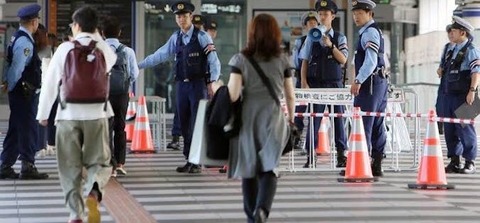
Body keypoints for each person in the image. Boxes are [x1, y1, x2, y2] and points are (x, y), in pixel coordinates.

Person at [36, 6, 117, 223]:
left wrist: (43, 113)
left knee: (68, 167)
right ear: (95, 27)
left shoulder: (64, 48)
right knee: (99, 163)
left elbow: (50, 83)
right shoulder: (103, 48)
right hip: (97, 115)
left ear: (77, 25)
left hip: (67, 115)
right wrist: (96, 35)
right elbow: (112, 62)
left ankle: (75, 214)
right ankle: (93, 189)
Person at [212, 13, 295, 223]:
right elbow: (290, 95)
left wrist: (217, 88)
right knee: (270, 167)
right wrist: (291, 121)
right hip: (275, 119)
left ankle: (252, 217)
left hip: (248, 119)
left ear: (252, 33)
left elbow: (233, 93)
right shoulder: (283, 60)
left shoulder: (240, 59)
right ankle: (263, 209)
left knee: (249, 168)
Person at [138, 1, 221, 174]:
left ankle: (196, 161)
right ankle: (189, 159)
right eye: (178, 16)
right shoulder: (176, 38)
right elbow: (160, 55)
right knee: (184, 124)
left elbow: (214, 61)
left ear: (191, 16)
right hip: (182, 86)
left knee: (196, 124)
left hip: (198, 85)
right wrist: (139, 65)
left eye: (184, 16)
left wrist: (212, 82)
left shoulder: (202, 36)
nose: (181, 19)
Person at [0, 4, 48, 180]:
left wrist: (7, 82)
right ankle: (28, 165)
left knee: (15, 128)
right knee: (28, 128)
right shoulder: (25, 41)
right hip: (24, 93)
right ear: (34, 22)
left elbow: (8, 63)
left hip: (20, 92)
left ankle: (5, 165)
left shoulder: (16, 37)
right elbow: (17, 68)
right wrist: (11, 85)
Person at [299, 0, 348, 168]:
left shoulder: (340, 37)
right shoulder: (311, 37)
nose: (322, 17)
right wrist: (304, 82)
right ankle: (310, 155)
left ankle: (342, 154)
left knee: (339, 120)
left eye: (325, 14)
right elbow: (304, 60)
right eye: (320, 14)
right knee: (314, 120)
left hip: (335, 85)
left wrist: (331, 45)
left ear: (333, 16)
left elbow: (343, 59)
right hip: (316, 85)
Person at [349, 0, 388, 177]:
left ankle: (361, 164)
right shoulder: (373, 31)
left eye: (360, 13)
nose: (356, 17)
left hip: (369, 85)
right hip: (378, 83)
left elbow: (371, 62)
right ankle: (376, 163)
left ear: (369, 14)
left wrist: (358, 80)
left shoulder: (369, 33)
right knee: (377, 123)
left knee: (363, 123)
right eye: (354, 13)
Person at [100, 16, 139, 177]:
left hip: (104, 95)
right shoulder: (127, 51)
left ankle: (111, 165)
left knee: (106, 129)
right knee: (120, 128)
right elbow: (134, 73)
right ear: (119, 33)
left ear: (102, 33)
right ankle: (121, 163)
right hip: (122, 95)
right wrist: (126, 83)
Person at [442, 16, 480, 174]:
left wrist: (472, 91)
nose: (451, 33)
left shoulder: (471, 50)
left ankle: (470, 161)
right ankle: (454, 160)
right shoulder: (451, 50)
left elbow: (476, 72)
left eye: (454, 30)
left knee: (465, 128)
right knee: (450, 129)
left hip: (465, 96)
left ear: (463, 32)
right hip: (449, 95)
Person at [291, 11, 318, 152]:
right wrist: (302, 80)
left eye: (314, 22)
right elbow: (295, 61)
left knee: (316, 111)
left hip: (318, 80)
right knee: (300, 111)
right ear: (305, 26)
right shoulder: (300, 41)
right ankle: (296, 138)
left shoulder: (322, 39)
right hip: (302, 79)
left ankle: (313, 142)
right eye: (309, 23)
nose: (312, 24)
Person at [436, 25, 455, 135]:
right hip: (445, 81)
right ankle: (440, 128)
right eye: (449, 32)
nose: (451, 35)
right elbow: (442, 63)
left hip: (456, 84)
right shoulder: (447, 47)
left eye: (453, 32)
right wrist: (440, 69)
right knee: (440, 105)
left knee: (454, 108)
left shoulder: (467, 49)